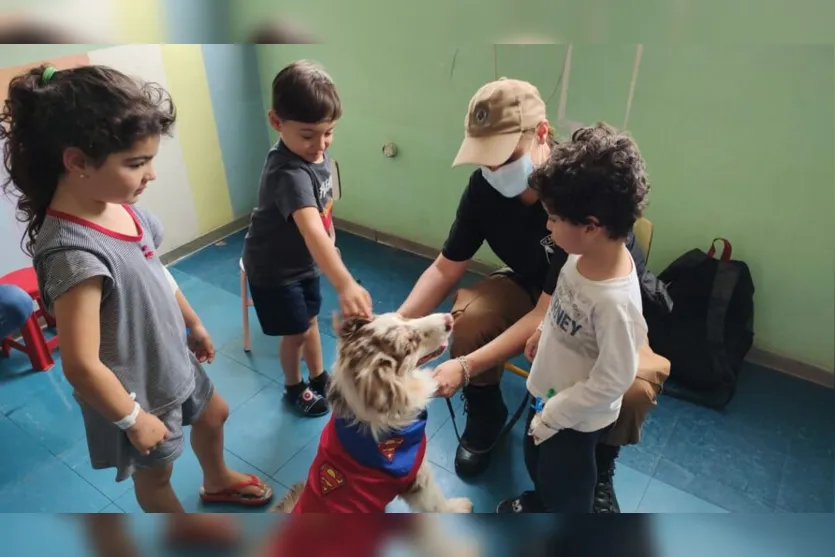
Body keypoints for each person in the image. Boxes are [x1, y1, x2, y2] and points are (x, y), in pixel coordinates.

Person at [0, 64, 273, 512]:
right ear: (77, 162)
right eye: (136, 163)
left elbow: (154, 269)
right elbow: (82, 366)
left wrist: (193, 322)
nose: (151, 175)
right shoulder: (72, 254)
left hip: (169, 357)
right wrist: (132, 419)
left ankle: (217, 480)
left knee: (215, 414)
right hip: (135, 391)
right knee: (158, 474)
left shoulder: (119, 208)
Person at [397, 78, 669, 513]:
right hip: (537, 289)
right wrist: (397, 327)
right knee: (468, 318)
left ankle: (600, 462)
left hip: (597, 308)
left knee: (632, 386)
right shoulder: (487, 190)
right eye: (484, 159)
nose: (493, 169)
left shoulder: (577, 201)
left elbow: (550, 310)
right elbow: (446, 266)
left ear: (541, 133)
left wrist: (463, 367)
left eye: (504, 157)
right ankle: (485, 415)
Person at [501, 122, 650, 512]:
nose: (547, 226)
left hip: (574, 419)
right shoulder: (578, 256)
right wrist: (542, 335)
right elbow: (562, 306)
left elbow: (614, 379)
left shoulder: (616, 303)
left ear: (591, 227)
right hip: (547, 393)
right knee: (536, 462)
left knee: (567, 485)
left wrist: (557, 413)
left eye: (553, 219)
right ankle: (540, 502)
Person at [242, 60, 372, 417]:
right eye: (308, 134)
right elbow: (310, 227)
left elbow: (323, 212)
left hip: (304, 263)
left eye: (328, 132)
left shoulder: (314, 154)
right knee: (296, 333)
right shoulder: (288, 172)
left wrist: (330, 243)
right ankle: (293, 385)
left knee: (310, 322)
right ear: (276, 122)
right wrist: (344, 282)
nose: (320, 145)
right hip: (275, 271)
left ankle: (318, 377)